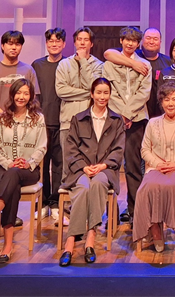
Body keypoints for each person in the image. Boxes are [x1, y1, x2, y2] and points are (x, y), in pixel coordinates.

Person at [0, 79, 47, 263]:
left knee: (13, 176)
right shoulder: (1, 118)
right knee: (12, 180)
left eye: (26, 93)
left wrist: (28, 163)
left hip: (29, 169)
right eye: (18, 93)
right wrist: (9, 163)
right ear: (12, 94)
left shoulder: (38, 119)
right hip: (3, 168)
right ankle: (7, 246)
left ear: (31, 96)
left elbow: (42, 146)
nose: (22, 97)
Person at [58, 78, 125, 266]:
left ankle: (90, 237)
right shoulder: (78, 119)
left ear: (110, 95)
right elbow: (71, 148)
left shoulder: (116, 120)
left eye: (106, 93)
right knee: (83, 188)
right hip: (81, 169)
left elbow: (119, 149)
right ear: (92, 94)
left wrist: (103, 165)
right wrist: (83, 166)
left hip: (105, 170)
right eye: (99, 92)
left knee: (97, 184)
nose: (102, 97)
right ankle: (71, 241)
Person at [133, 84, 175, 251]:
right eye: (166, 99)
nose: (170, 103)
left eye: (174, 99)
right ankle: (155, 230)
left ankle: (172, 222)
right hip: (156, 168)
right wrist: (157, 164)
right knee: (147, 188)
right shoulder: (152, 123)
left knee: (171, 186)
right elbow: (145, 149)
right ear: (161, 102)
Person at [103, 26, 151, 224]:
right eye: (127, 40)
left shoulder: (145, 65)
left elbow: (144, 92)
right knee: (110, 165)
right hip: (114, 119)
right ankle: (111, 214)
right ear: (121, 41)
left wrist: (129, 114)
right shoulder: (109, 64)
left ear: (138, 44)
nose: (130, 43)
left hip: (137, 120)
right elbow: (109, 91)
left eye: (134, 40)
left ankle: (134, 211)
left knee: (133, 166)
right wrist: (121, 114)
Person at [55, 27, 104, 224]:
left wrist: (83, 62)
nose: (82, 42)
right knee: (69, 166)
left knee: (90, 166)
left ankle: (89, 211)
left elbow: (95, 87)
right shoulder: (64, 64)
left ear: (91, 43)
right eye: (79, 39)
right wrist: (86, 93)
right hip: (67, 121)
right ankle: (68, 211)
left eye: (86, 40)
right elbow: (61, 91)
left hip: (90, 122)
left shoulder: (98, 65)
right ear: (74, 42)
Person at [32, 28, 66, 221]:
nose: (54, 44)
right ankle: (43, 202)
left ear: (64, 44)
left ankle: (56, 203)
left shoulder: (68, 64)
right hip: (41, 123)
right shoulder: (37, 65)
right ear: (46, 44)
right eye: (51, 41)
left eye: (57, 41)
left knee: (59, 165)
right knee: (42, 165)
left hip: (62, 122)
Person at [104, 27, 171, 119]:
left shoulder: (166, 62)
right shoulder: (124, 56)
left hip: (147, 113)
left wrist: (127, 114)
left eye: (155, 39)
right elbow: (108, 53)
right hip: (118, 114)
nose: (151, 42)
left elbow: (144, 92)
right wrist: (133, 63)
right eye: (148, 38)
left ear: (160, 42)